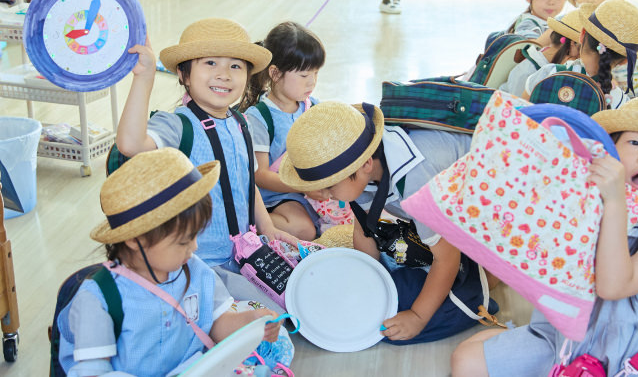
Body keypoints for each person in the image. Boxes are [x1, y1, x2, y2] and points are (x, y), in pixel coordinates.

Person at [451, 96, 638, 376]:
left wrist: (617, 202)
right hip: (560, 344)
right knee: (465, 361)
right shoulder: (586, 204)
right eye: (633, 143)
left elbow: (614, 286)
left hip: (634, 362)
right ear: (611, 152)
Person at [278, 102, 498, 344]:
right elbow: (364, 229)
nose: (320, 194)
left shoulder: (415, 182)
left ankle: (492, 275)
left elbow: (447, 257)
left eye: (329, 186)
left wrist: (417, 316)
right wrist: (370, 283)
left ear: (365, 166)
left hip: (497, 200)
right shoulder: (362, 162)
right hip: (455, 201)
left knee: (403, 317)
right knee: (389, 300)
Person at [116, 18, 297, 305]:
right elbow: (130, 144)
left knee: (295, 302)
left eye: (235, 66)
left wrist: (269, 229)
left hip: (244, 253)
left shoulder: (243, 123)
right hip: (195, 265)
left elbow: (247, 186)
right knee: (259, 325)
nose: (224, 74)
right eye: (210, 63)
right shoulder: (178, 125)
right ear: (183, 74)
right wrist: (144, 78)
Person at [57, 148, 284, 376]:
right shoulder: (99, 299)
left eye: (196, 236)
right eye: (183, 241)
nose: (194, 247)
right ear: (136, 239)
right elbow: (93, 371)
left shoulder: (195, 271)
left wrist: (250, 322)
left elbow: (216, 324)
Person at [238, 21, 327, 241]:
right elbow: (261, 176)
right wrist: (304, 187)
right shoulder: (259, 117)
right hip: (275, 196)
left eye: (315, 73)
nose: (312, 82)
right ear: (275, 74)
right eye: (304, 75)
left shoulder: (312, 106)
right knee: (304, 230)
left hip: (306, 190)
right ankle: (246, 223)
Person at [521, 0, 638, 109]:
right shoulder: (618, 101)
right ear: (625, 61)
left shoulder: (547, 73)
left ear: (582, 35)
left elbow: (520, 112)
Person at [499, 3, 595, 97]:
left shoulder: (547, 66)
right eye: (586, 50)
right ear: (573, 44)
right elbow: (517, 108)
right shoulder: (527, 71)